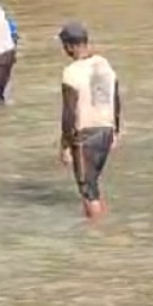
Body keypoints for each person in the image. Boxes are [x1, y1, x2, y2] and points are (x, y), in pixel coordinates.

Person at [57, 21, 122, 221]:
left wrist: (65, 145)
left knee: (87, 189)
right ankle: (102, 223)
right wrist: (116, 131)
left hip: (85, 135)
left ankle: (97, 235)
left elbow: (68, 113)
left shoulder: (71, 72)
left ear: (69, 46)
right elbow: (116, 99)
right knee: (93, 183)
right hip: (106, 130)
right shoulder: (104, 64)